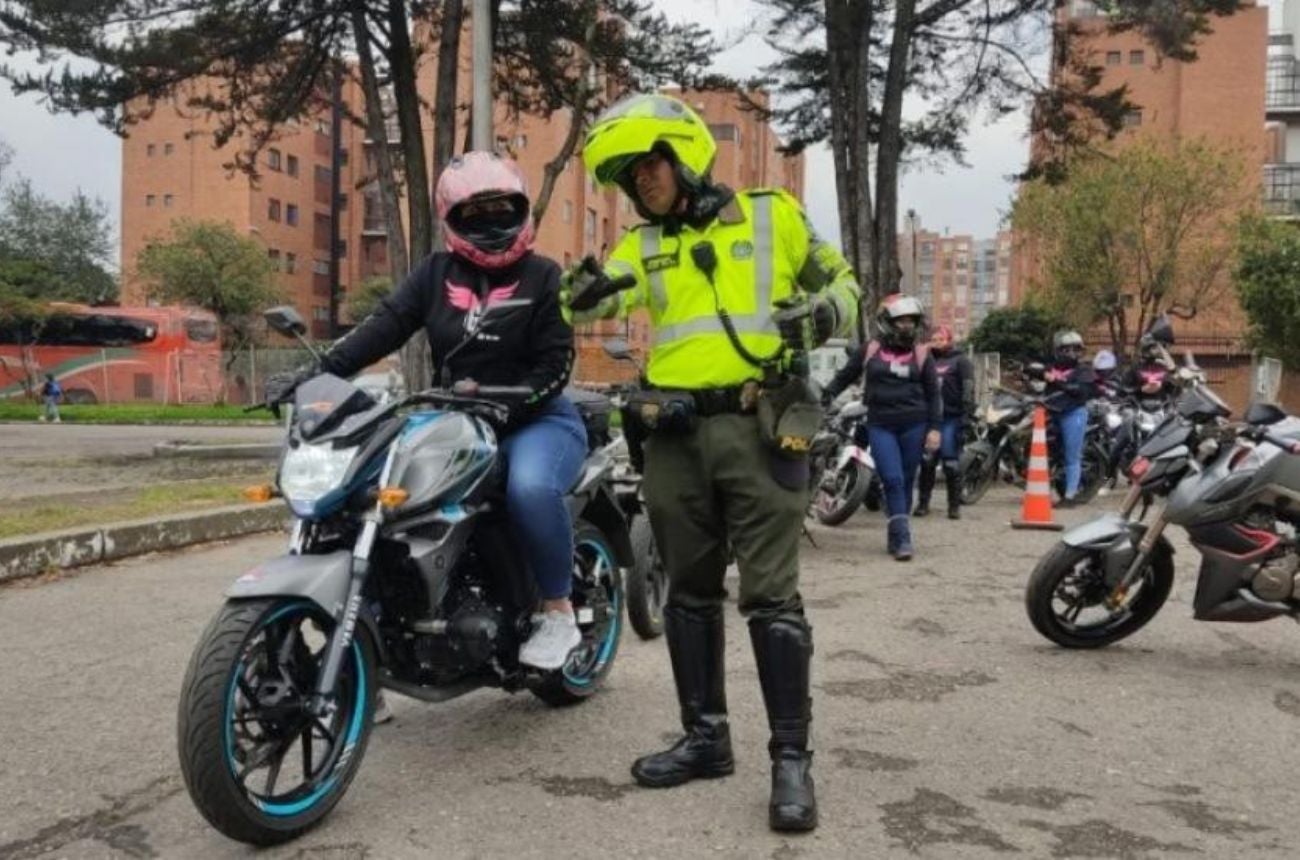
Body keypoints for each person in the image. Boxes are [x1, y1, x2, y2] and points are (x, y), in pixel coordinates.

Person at [567, 93, 861, 832]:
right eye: (628, 176)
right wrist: (582, 294)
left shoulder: (772, 216)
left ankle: (790, 759)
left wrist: (825, 313)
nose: (640, 181)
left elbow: (845, 285)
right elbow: (594, 301)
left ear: (684, 155)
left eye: (648, 164)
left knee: (771, 597)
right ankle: (705, 739)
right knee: (689, 594)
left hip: (758, 428)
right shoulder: (642, 245)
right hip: (674, 436)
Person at [264, 151, 587, 672]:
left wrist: (511, 399)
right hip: (458, 420)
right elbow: (382, 327)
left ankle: (557, 610)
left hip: (539, 419)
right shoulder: (435, 274)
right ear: (450, 219)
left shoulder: (545, 276)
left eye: (501, 209)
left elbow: (556, 365)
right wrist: (313, 374)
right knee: (381, 495)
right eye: (474, 213)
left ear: (522, 209)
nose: (490, 222)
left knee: (529, 488)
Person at [823, 295, 941, 560]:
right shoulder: (870, 349)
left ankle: (895, 531)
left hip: (915, 425)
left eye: (911, 321)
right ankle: (903, 539)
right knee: (892, 479)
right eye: (901, 321)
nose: (907, 326)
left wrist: (934, 428)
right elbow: (845, 376)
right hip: (881, 425)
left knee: (906, 481)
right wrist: (825, 395)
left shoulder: (922, 354)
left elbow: (934, 395)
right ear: (887, 322)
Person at [913, 325, 973, 520]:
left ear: (949, 340)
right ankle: (923, 504)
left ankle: (954, 507)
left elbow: (968, 389)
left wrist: (966, 416)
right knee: (927, 461)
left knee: (950, 464)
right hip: (930, 418)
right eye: (934, 339)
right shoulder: (925, 360)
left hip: (951, 417)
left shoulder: (961, 360)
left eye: (941, 339)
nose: (937, 343)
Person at [1043, 330, 1096, 506]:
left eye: (1075, 349)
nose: (1071, 353)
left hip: (1073, 413)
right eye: (1066, 349)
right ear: (1058, 350)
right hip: (1051, 413)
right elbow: (1036, 374)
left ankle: (1070, 496)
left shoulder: (1084, 370)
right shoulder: (1051, 367)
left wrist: (1056, 381)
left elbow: (1080, 391)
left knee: (1071, 455)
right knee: (1047, 452)